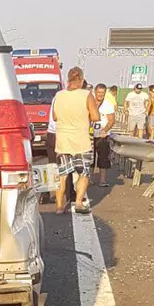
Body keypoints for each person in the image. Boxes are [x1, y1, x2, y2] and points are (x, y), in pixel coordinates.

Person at [52, 66, 100, 214]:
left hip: (62, 142)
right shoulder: (86, 95)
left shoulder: (59, 96)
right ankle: (78, 203)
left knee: (62, 176)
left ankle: (60, 206)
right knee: (83, 174)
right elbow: (95, 117)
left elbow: (54, 117)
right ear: (81, 79)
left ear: (68, 80)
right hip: (81, 142)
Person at [93, 83, 116, 185]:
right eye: (98, 92)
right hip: (90, 134)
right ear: (95, 92)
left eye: (102, 92)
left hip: (103, 135)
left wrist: (105, 130)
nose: (100, 94)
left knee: (103, 158)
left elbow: (111, 120)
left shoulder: (107, 105)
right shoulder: (90, 102)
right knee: (90, 159)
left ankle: (102, 180)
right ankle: (89, 179)